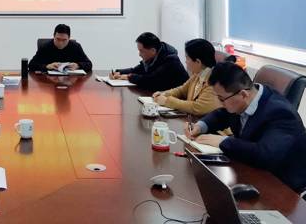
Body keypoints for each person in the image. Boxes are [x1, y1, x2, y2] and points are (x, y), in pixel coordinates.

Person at [185, 62, 306, 193]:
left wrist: (223, 141)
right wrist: (200, 126)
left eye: (221, 99)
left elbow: (265, 155)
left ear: (243, 94)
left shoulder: (281, 113)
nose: (220, 103)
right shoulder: (244, 98)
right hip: (249, 168)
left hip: (280, 184)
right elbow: (222, 115)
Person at [152, 39, 221, 116]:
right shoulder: (198, 74)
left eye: (187, 58)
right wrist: (164, 94)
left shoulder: (214, 81)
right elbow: (181, 90)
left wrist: (167, 101)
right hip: (193, 120)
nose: (186, 62)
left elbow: (198, 107)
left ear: (198, 62)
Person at [111, 32, 188, 91]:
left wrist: (129, 77)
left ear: (153, 50)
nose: (139, 54)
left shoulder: (171, 60)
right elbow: (137, 70)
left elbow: (150, 81)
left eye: (141, 51)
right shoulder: (154, 56)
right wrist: (118, 72)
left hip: (179, 99)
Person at [28, 24, 93, 73]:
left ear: (69, 38)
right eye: (58, 39)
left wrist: (78, 65)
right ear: (54, 36)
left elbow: (89, 64)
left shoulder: (76, 47)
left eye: (64, 40)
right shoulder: (45, 47)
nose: (60, 43)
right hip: (49, 81)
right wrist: (47, 66)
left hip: (70, 81)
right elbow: (31, 65)